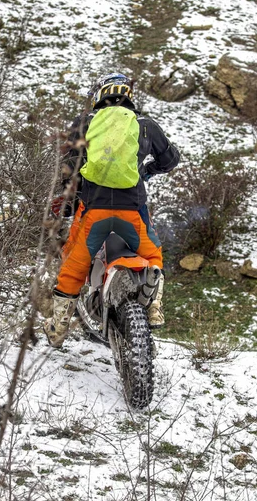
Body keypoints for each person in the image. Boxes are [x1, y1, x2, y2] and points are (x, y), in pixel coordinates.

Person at [44, 72, 180, 347]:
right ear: (128, 97)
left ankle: (58, 329)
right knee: (152, 252)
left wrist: (70, 194)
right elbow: (171, 159)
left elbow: (68, 166)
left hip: (95, 213)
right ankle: (155, 306)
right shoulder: (144, 125)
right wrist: (147, 172)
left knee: (73, 265)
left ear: (99, 96)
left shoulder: (85, 123)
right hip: (133, 210)